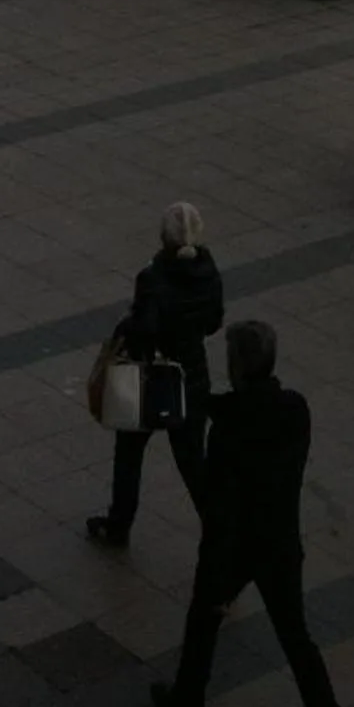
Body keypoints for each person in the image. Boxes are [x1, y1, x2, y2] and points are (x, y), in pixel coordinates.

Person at [152, 319, 346, 707]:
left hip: (238, 548)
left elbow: (221, 507)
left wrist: (215, 571)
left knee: (203, 618)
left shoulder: (227, 430)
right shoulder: (295, 410)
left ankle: (188, 701)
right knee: (297, 641)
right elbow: (255, 413)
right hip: (280, 545)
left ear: (237, 366)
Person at [87, 201, 222, 548]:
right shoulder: (209, 271)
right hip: (192, 378)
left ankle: (119, 525)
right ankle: (221, 533)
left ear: (163, 238)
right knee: (193, 462)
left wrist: (127, 327)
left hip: (151, 380)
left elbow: (145, 330)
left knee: (129, 453)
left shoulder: (153, 277)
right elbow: (213, 322)